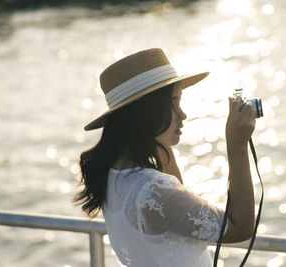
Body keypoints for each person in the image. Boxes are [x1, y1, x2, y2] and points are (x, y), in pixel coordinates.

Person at [74, 48, 256, 267]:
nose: (183, 114)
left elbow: (175, 201)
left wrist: (159, 140)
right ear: (147, 112)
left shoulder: (112, 175)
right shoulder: (155, 191)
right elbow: (239, 228)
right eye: (174, 103)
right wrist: (237, 145)